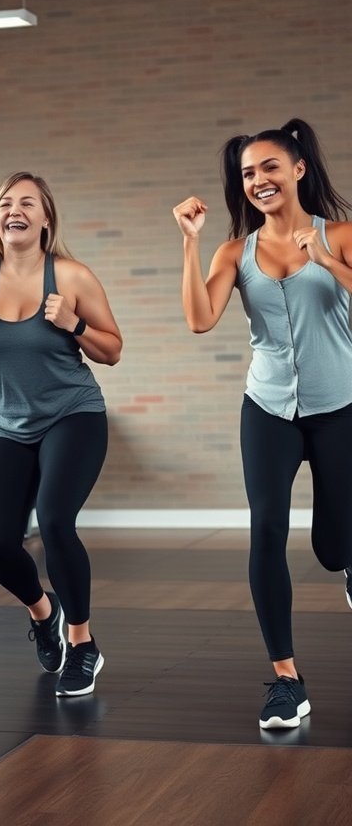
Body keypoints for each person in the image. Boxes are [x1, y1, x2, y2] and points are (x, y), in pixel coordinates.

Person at [173, 118, 352, 730]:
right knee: (267, 529)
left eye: (270, 167)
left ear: (298, 169)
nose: (258, 180)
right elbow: (200, 320)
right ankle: (285, 679)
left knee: (335, 545)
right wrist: (191, 243)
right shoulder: (236, 251)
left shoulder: (344, 236)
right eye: (248, 173)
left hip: (340, 407)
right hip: (268, 408)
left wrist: (325, 259)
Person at [0, 171, 122, 696]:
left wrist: (75, 325)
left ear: (45, 217)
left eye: (27, 203)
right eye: (4, 204)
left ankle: (82, 644)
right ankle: (44, 614)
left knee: (56, 521)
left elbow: (112, 350)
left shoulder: (71, 276)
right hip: (4, 423)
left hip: (73, 414)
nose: (13, 211)